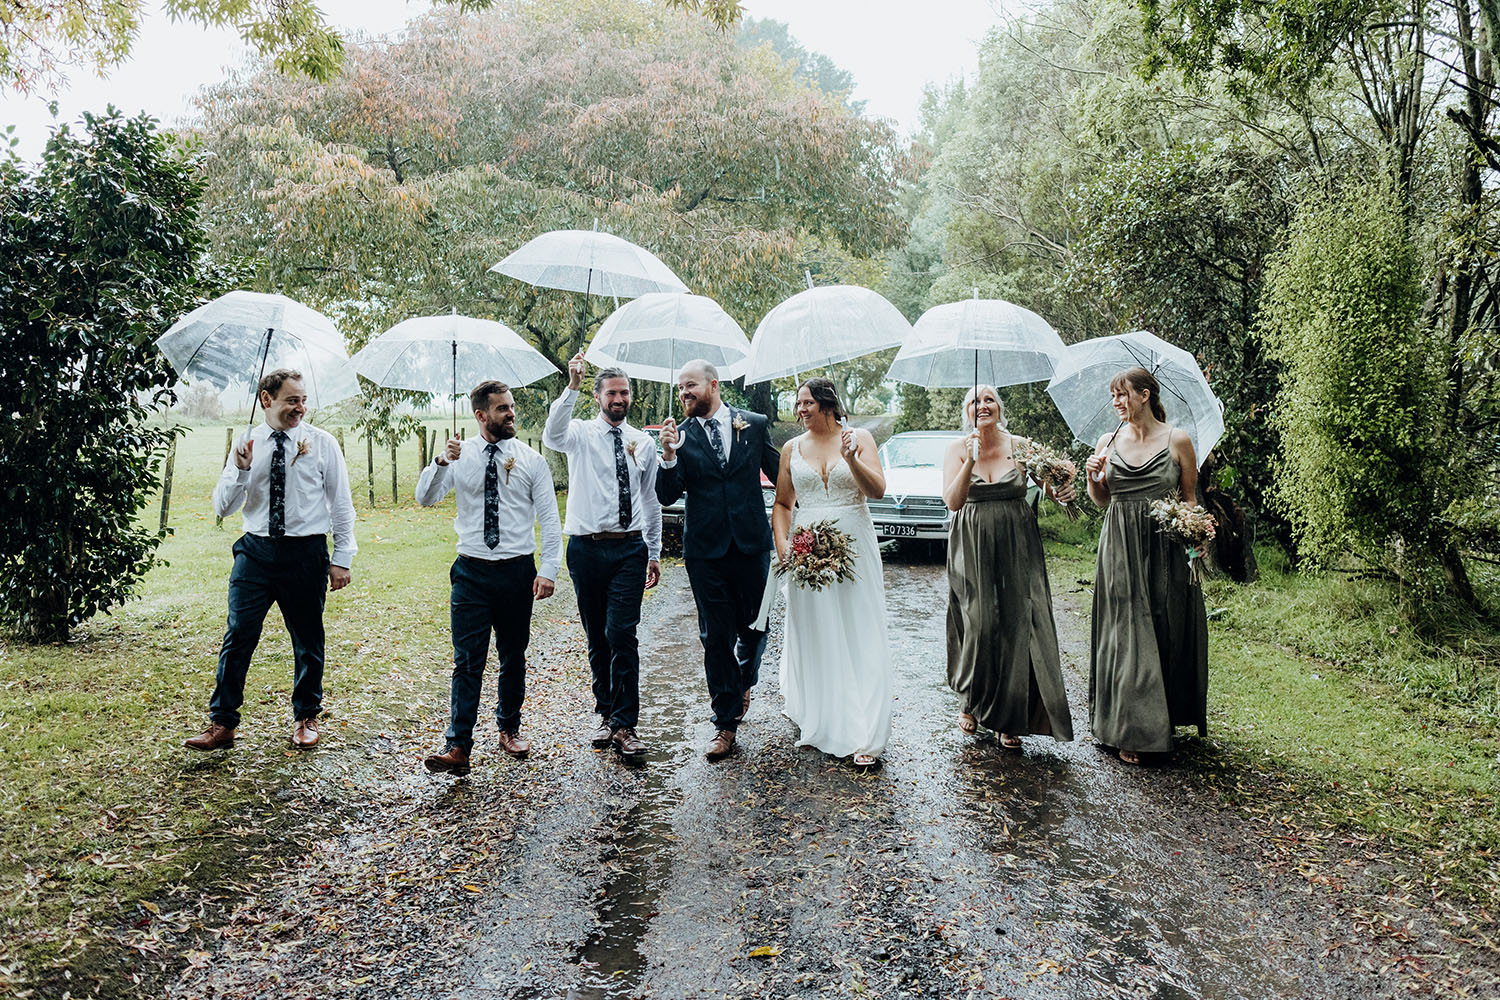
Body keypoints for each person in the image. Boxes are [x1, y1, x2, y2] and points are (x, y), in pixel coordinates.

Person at [187, 369, 356, 752]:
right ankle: (223, 722)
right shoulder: (246, 443)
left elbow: (342, 505)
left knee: (308, 638)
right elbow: (223, 507)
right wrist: (241, 470)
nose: (300, 408)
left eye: (303, 400)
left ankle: (306, 717)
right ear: (267, 399)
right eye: (291, 400)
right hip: (255, 552)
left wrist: (342, 557)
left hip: (305, 552)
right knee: (239, 634)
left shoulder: (323, 443)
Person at [417, 380, 563, 776]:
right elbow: (424, 498)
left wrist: (548, 569)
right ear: (481, 415)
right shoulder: (458, 455)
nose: (511, 413)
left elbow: (549, 519)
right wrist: (441, 463)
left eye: (511, 406)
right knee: (467, 660)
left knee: (513, 655)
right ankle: (458, 745)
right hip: (471, 572)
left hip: (518, 571)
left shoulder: (531, 460)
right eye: (502, 409)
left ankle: (509, 727)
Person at [656, 359, 781, 762]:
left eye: (689, 385)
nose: (683, 394)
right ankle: (724, 724)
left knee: (756, 628)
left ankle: (744, 678)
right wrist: (670, 456)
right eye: (679, 388)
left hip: (751, 544)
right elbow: (666, 495)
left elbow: (783, 475)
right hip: (705, 551)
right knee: (714, 636)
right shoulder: (681, 437)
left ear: (713, 385)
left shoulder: (754, 423)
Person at [1084, 366, 1209, 764]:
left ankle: (1159, 718)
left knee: (1162, 627)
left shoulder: (1178, 440)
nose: (1117, 402)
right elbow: (1102, 500)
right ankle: (1130, 728)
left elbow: (1190, 499)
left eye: (1123, 394)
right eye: (1114, 396)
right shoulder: (1109, 440)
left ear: (1145, 394)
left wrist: (1197, 534)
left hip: (1165, 547)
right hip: (1119, 545)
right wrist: (1093, 478)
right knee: (1126, 632)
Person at [941, 385, 1074, 750]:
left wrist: (1064, 489)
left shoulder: (1021, 446)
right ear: (966, 411)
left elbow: (1050, 489)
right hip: (970, 542)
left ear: (999, 408)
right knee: (979, 621)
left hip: (1017, 540)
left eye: (989, 400)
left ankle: (1007, 718)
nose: (982, 406)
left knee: (1016, 623)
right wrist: (969, 460)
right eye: (974, 402)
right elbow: (953, 502)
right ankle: (972, 699)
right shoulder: (956, 449)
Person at [544, 355, 662, 760]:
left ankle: (626, 723)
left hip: (630, 547)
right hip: (586, 547)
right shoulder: (578, 434)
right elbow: (551, 435)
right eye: (611, 392)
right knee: (597, 636)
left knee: (621, 632)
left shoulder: (643, 442)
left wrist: (654, 551)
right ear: (598, 397)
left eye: (624, 392)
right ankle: (606, 713)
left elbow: (650, 498)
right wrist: (571, 386)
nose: (619, 398)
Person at [771, 378, 892, 768]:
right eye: (798, 404)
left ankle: (866, 731)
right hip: (806, 548)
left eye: (807, 403)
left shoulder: (860, 438)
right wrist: (784, 546)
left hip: (854, 542)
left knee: (860, 629)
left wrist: (852, 459)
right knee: (817, 630)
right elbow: (783, 504)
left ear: (827, 404)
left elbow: (877, 491)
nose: (800, 410)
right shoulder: (791, 448)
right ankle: (821, 718)